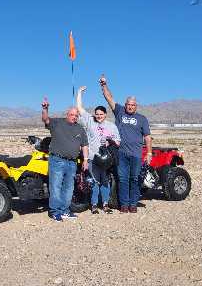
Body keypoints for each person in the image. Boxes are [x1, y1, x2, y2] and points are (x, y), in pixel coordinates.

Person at [99, 77, 152, 213]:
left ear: (136, 106)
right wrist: (104, 85)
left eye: (133, 105)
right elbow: (109, 98)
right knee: (122, 179)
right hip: (121, 153)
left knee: (134, 179)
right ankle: (124, 204)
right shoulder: (120, 112)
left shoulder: (142, 119)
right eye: (128, 104)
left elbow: (147, 137)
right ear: (125, 104)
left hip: (136, 154)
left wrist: (149, 153)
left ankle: (133, 204)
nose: (130, 106)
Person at [41, 97, 89, 221]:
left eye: (76, 115)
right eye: (72, 115)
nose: (74, 117)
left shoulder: (80, 128)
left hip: (72, 162)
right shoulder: (57, 123)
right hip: (57, 160)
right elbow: (45, 119)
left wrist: (85, 160)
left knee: (69, 188)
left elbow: (84, 145)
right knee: (56, 187)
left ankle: (65, 210)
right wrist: (45, 109)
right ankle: (55, 212)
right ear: (67, 114)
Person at [76, 86, 120, 214]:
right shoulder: (90, 121)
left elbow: (118, 142)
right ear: (94, 114)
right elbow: (79, 108)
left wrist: (110, 141)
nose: (99, 116)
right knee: (95, 181)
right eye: (97, 114)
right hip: (92, 158)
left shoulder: (111, 126)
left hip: (106, 159)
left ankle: (105, 204)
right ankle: (94, 205)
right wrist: (79, 93)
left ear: (105, 115)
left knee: (105, 181)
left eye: (101, 114)